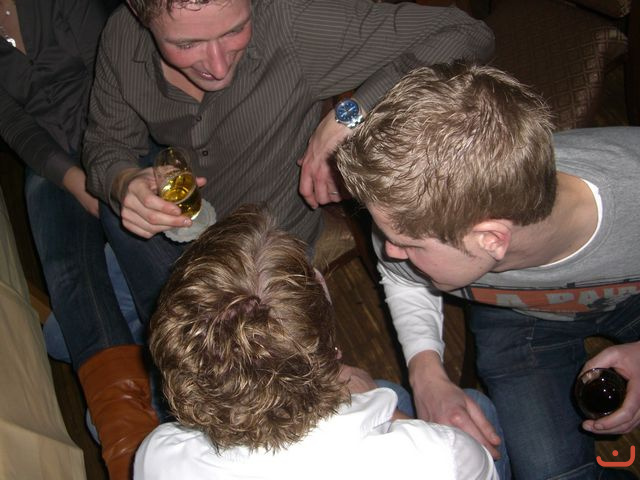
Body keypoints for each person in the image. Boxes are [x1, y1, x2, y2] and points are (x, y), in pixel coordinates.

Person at [82, 0, 495, 325]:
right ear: (139, 12)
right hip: (179, 232)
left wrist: (350, 114)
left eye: (235, 30)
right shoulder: (121, 34)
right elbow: (105, 143)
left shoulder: (291, 20)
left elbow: (467, 34)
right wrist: (123, 182)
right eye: (187, 44)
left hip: (264, 258)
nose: (218, 66)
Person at [335, 63, 640, 479]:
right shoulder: (406, 211)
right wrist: (425, 374)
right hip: (517, 314)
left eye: (408, 245)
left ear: (491, 239)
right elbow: (402, 278)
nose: (389, 252)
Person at [134, 204, 502, 479]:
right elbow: (473, 463)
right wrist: (386, 409)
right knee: (476, 406)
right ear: (329, 351)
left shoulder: (158, 457)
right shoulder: (439, 458)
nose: (315, 271)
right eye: (309, 274)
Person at [0, 0, 158, 478]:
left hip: (115, 133)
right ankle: (127, 449)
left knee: (137, 236)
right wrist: (72, 181)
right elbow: (14, 124)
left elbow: (110, 69)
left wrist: (102, 174)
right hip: (50, 164)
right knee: (69, 275)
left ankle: (201, 374)